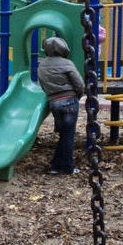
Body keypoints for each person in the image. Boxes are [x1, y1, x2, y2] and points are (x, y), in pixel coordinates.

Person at [37, 36, 85, 175]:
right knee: (68, 135)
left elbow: (43, 84)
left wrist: (52, 96)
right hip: (69, 100)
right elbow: (79, 84)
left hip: (54, 102)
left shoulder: (42, 65)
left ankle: (55, 166)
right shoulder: (67, 63)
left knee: (63, 134)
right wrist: (76, 96)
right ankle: (67, 167)